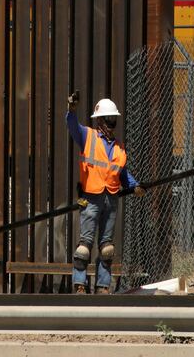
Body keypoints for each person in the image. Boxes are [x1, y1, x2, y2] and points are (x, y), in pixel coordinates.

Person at [66, 91, 144, 294]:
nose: (111, 124)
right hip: (91, 198)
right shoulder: (87, 136)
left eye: (113, 120)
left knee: (107, 247)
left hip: (111, 198)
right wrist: (71, 110)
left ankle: (102, 287)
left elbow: (121, 172)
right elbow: (73, 127)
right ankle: (80, 285)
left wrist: (134, 186)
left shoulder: (119, 147)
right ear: (99, 121)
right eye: (108, 120)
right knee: (85, 245)